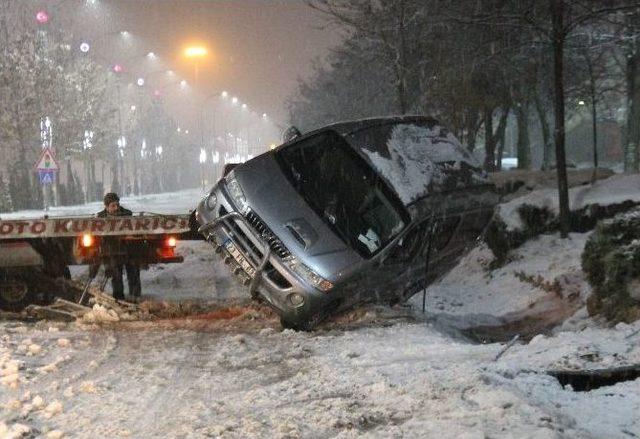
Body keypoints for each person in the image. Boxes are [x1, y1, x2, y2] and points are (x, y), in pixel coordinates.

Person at [97, 192, 141, 301]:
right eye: (113, 205)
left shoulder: (127, 214)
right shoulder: (100, 218)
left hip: (129, 249)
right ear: (106, 207)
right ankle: (119, 298)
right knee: (116, 275)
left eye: (117, 204)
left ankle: (135, 296)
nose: (116, 208)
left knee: (133, 273)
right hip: (112, 250)